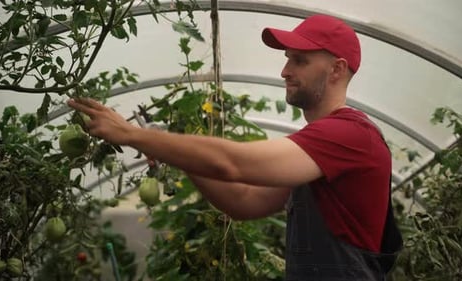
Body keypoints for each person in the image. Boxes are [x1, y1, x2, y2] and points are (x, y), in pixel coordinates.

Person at [68, 14, 402, 281]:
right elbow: (243, 201)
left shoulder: (350, 135)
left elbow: (232, 164)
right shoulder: (322, 147)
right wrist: (175, 152)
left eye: (299, 60)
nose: (284, 70)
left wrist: (131, 134)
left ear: (337, 70)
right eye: (288, 59)